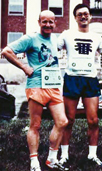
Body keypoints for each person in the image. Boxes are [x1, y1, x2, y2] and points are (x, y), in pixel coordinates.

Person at [1, 10, 68, 171]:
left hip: (52, 85)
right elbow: (6, 51)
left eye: (51, 22)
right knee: (35, 125)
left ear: (55, 23)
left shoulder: (55, 38)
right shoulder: (30, 38)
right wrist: (24, 67)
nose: (48, 25)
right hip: (36, 85)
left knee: (62, 121)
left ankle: (52, 159)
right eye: (44, 22)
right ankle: (34, 162)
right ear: (39, 22)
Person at [57, 3, 102, 170]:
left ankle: (92, 154)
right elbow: (54, 50)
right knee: (68, 120)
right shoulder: (66, 34)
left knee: (93, 120)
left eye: (86, 14)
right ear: (75, 17)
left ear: (90, 16)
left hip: (90, 79)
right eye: (80, 14)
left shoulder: (97, 36)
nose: (83, 17)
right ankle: (64, 155)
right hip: (72, 79)